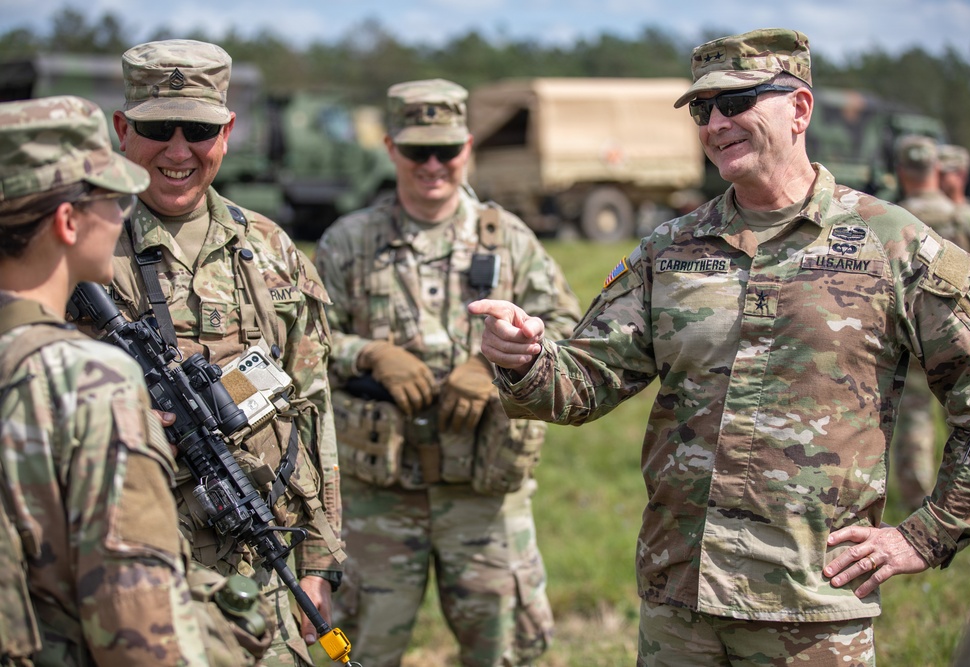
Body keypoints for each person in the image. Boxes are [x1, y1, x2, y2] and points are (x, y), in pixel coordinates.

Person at [469, 28, 970, 666]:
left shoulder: (894, 244)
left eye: (737, 101)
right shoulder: (671, 248)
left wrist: (928, 533)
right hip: (680, 605)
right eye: (702, 109)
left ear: (800, 109)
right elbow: (586, 381)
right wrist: (524, 356)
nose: (716, 123)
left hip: (811, 610)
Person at [313, 78, 581, 666]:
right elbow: (305, 341)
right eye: (416, 151)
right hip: (380, 496)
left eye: (447, 150)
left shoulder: (507, 237)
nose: (432, 165)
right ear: (390, 149)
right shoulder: (349, 242)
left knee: (503, 648)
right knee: (357, 649)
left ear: (468, 146)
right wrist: (368, 354)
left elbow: (566, 324)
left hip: (483, 493)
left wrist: (495, 365)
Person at [0, 95, 272, 666]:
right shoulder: (88, 379)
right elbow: (142, 639)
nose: (125, 214)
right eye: (113, 198)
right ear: (67, 222)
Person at [102, 39, 345, 666]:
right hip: (129, 576)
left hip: (258, 570)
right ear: (122, 130)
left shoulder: (270, 249)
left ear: (229, 130)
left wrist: (317, 562)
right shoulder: (79, 249)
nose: (179, 150)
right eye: (158, 127)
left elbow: (312, 411)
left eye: (200, 129)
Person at [892, 135, 970, 512]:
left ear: (902, 172)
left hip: (915, 337)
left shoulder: (891, 217)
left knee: (916, 421)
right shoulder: (968, 218)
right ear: (937, 171)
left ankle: (919, 509)